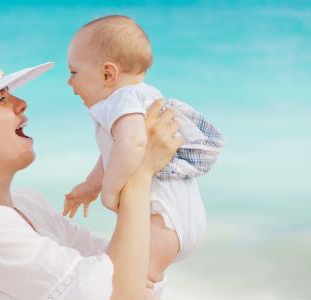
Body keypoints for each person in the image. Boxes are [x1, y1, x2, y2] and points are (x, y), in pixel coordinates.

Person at [0, 56, 183, 299]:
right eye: (1, 99)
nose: (21, 103)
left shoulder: (26, 203)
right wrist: (140, 169)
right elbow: (121, 292)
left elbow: (132, 271)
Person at [63, 15, 224, 293]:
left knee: (134, 282)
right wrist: (91, 185)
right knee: (139, 281)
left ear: (108, 74)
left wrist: (110, 191)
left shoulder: (121, 99)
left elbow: (134, 144)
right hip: (179, 217)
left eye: (74, 72)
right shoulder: (143, 96)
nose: (69, 82)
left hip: (162, 217)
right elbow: (114, 153)